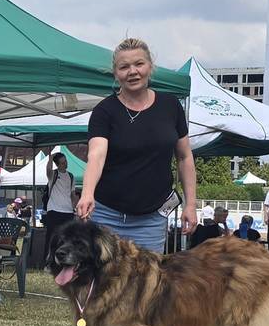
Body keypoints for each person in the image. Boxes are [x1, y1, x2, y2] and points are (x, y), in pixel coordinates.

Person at [76, 38, 197, 252]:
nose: (132, 71)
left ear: (150, 66)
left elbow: (185, 157)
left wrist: (190, 204)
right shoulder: (104, 111)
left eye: (139, 64)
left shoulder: (170, 106)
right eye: (124, 67)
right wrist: (87, 194)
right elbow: (97, 155)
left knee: (148, 283)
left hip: (151, 219)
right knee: (103, 282)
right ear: (115, 73)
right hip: (106, 215)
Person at [43, 150, 76, 257]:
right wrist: (50, 158)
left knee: (68, 237)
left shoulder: (71, 176)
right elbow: (48, 170)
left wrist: (75, 207)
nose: (65, 164)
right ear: (57, 164)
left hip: (68, 211)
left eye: (66, 161)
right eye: (62, 162)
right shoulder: (53, 174)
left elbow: (72, 194)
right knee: (52, 237)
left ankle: (65, 260)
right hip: (54, 210)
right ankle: (48, 260)